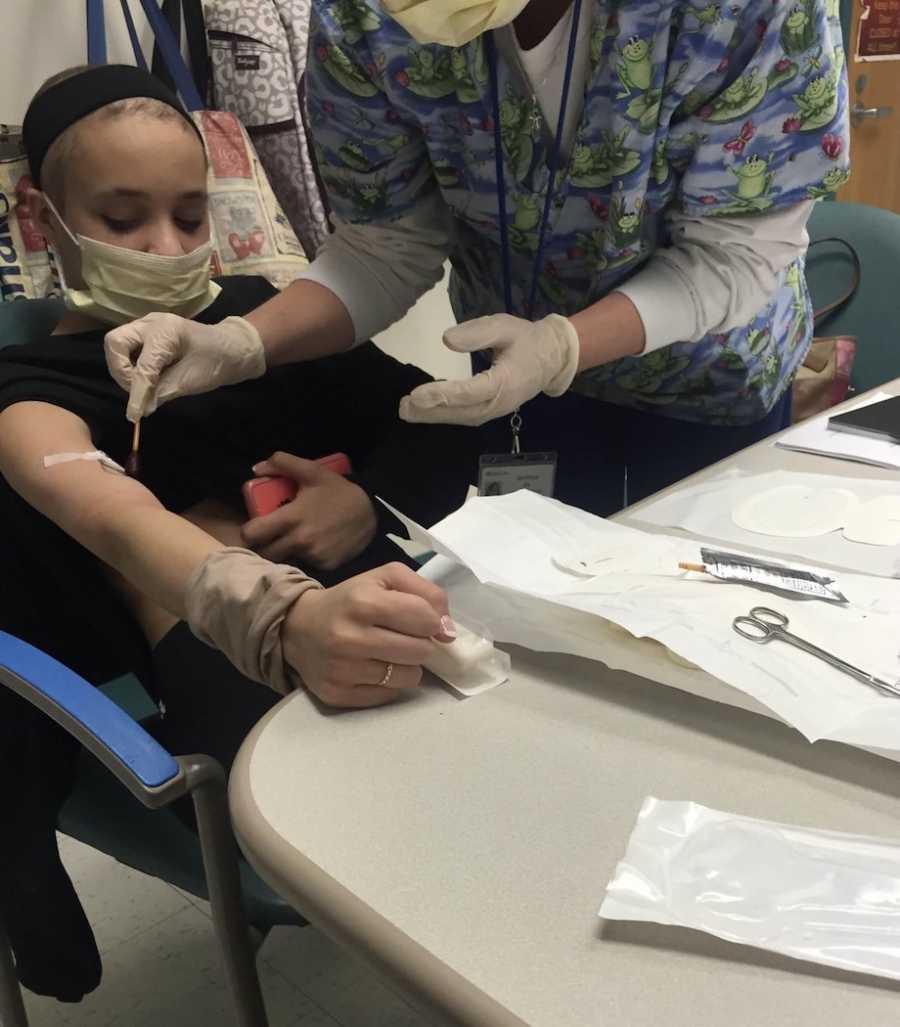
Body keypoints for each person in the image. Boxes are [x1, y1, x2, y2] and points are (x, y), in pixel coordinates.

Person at [0, 63, 478, 1002]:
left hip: (384, 606)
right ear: (36, 220)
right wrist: (277, 616)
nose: (166, 245)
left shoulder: (260, 322)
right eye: (123, 217)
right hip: (234, 670)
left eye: (189, 214)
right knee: (422, 879)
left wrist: (364, 500)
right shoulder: (30, 395)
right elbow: (123, 523)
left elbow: (421, 419)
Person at [105, 0, 849, 515]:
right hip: (515, 394)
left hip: (706, 387)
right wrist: (242, 342)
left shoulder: (745, 15)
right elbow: (383, 242)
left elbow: (736, 254)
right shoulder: (372, 20)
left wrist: (563, 345)